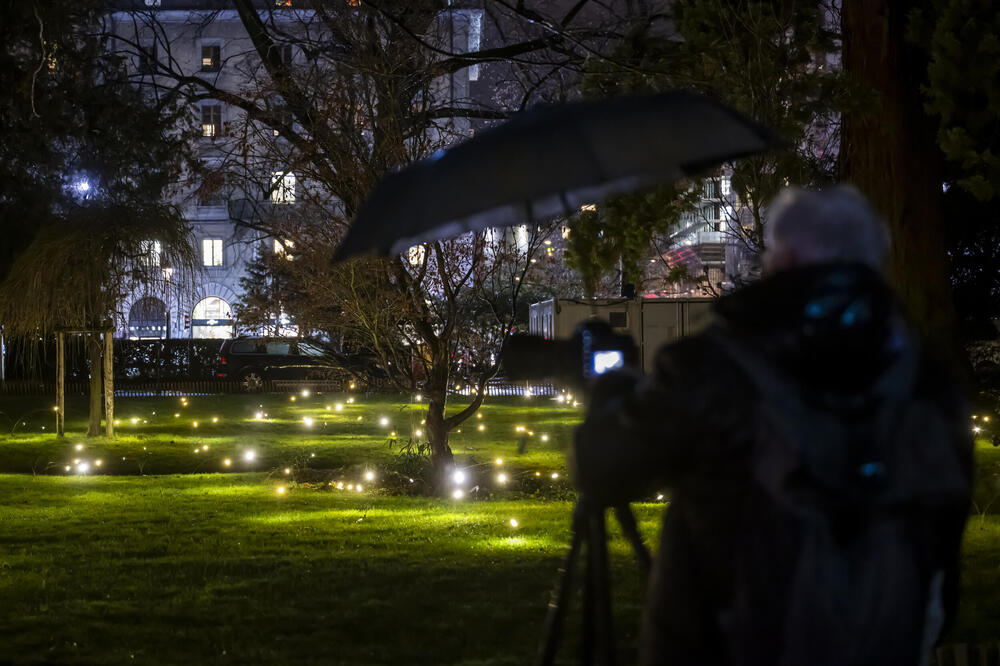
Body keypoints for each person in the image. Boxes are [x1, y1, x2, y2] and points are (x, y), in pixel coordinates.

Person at [572, 185, 973, 666]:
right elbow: (944, 542)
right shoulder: (927, 382)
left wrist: (611, 393)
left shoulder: (713, 369)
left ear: (783, 261)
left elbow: (602, 468)